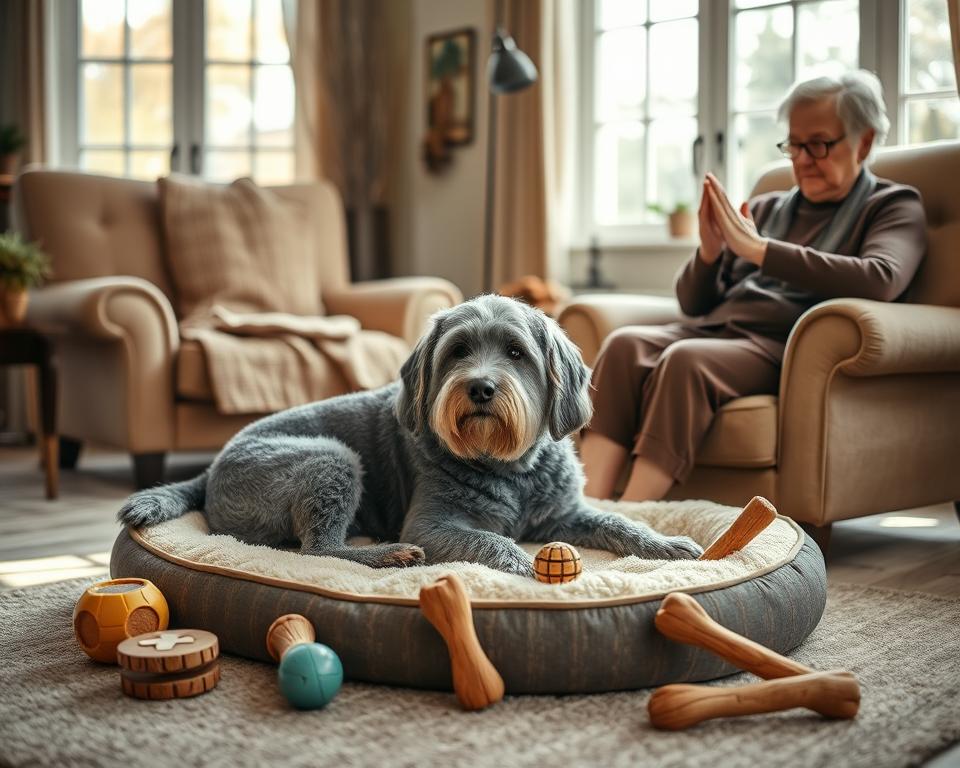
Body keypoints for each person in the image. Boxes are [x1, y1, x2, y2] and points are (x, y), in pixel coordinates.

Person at [579, 69, 927, 502]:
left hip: (784, 345)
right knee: (624, 345)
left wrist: (762, 251)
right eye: (794, 145)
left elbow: (881, 278)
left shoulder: (892, 205)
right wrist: (708, 253)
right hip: (719, 331)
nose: (801, 159)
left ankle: (632, 519)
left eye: (818, 144)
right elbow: (692, 303)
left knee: (687, 361)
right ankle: (584, 509)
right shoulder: (766, 207)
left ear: (865, 141)